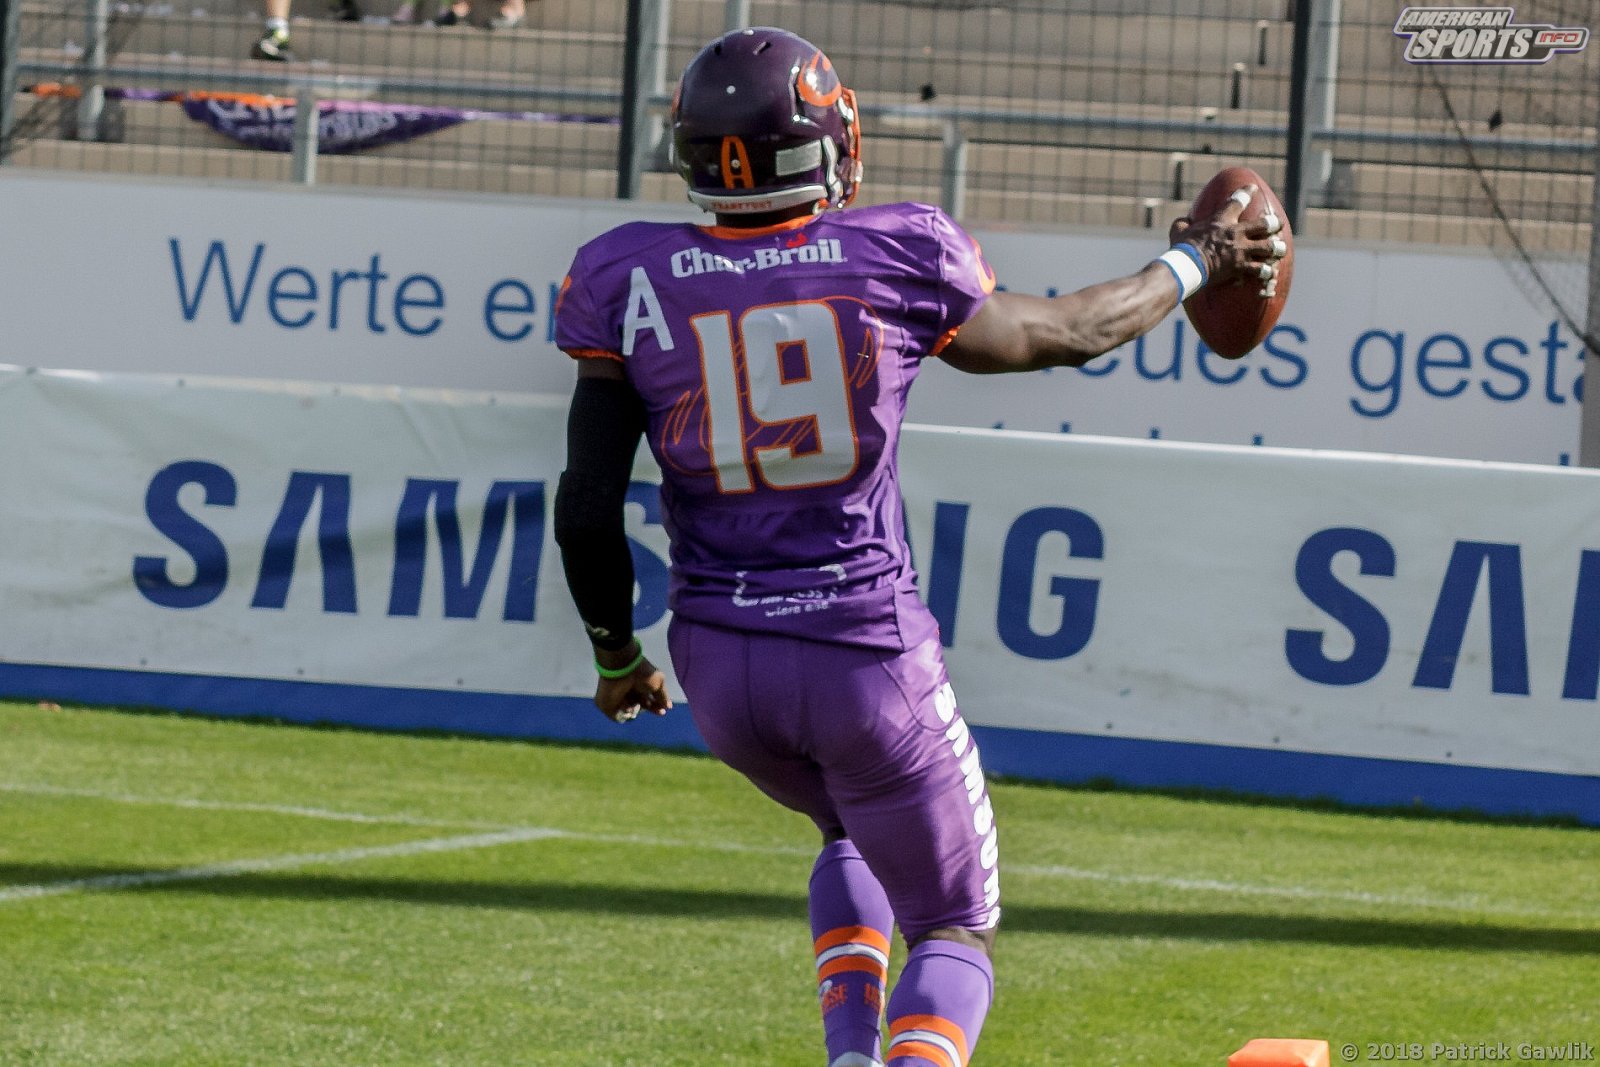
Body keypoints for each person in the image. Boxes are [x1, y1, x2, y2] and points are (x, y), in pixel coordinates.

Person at [552, 27, 1284, 1067]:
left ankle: (851, 1051)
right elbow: (1064, 332)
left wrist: (616, 653)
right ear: (821, 144)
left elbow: (586, 506)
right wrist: (1195, 260)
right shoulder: (890, 250)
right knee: (953, 925)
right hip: (863, 659)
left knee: (849, 829)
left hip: (721, 669)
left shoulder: (627, 273)